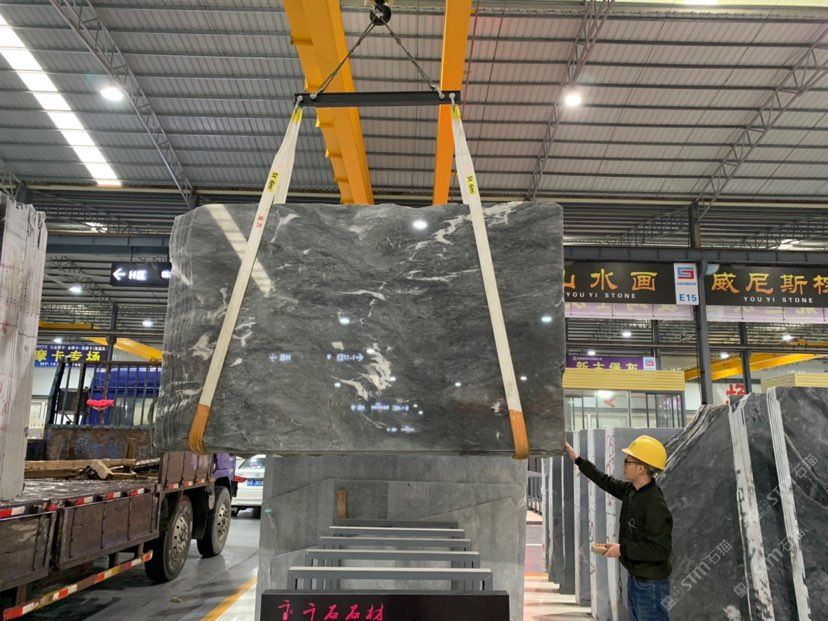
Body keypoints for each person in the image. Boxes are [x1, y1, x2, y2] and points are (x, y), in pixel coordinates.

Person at [565, 435, 673, 621]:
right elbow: (605, 481)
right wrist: (578, 460)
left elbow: (661, 550)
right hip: (637, 579)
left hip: (651, 585)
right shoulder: (632, 491)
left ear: (641, 468)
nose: (624, 465)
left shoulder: (654, 504)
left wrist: (622, 550)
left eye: (628, 461)